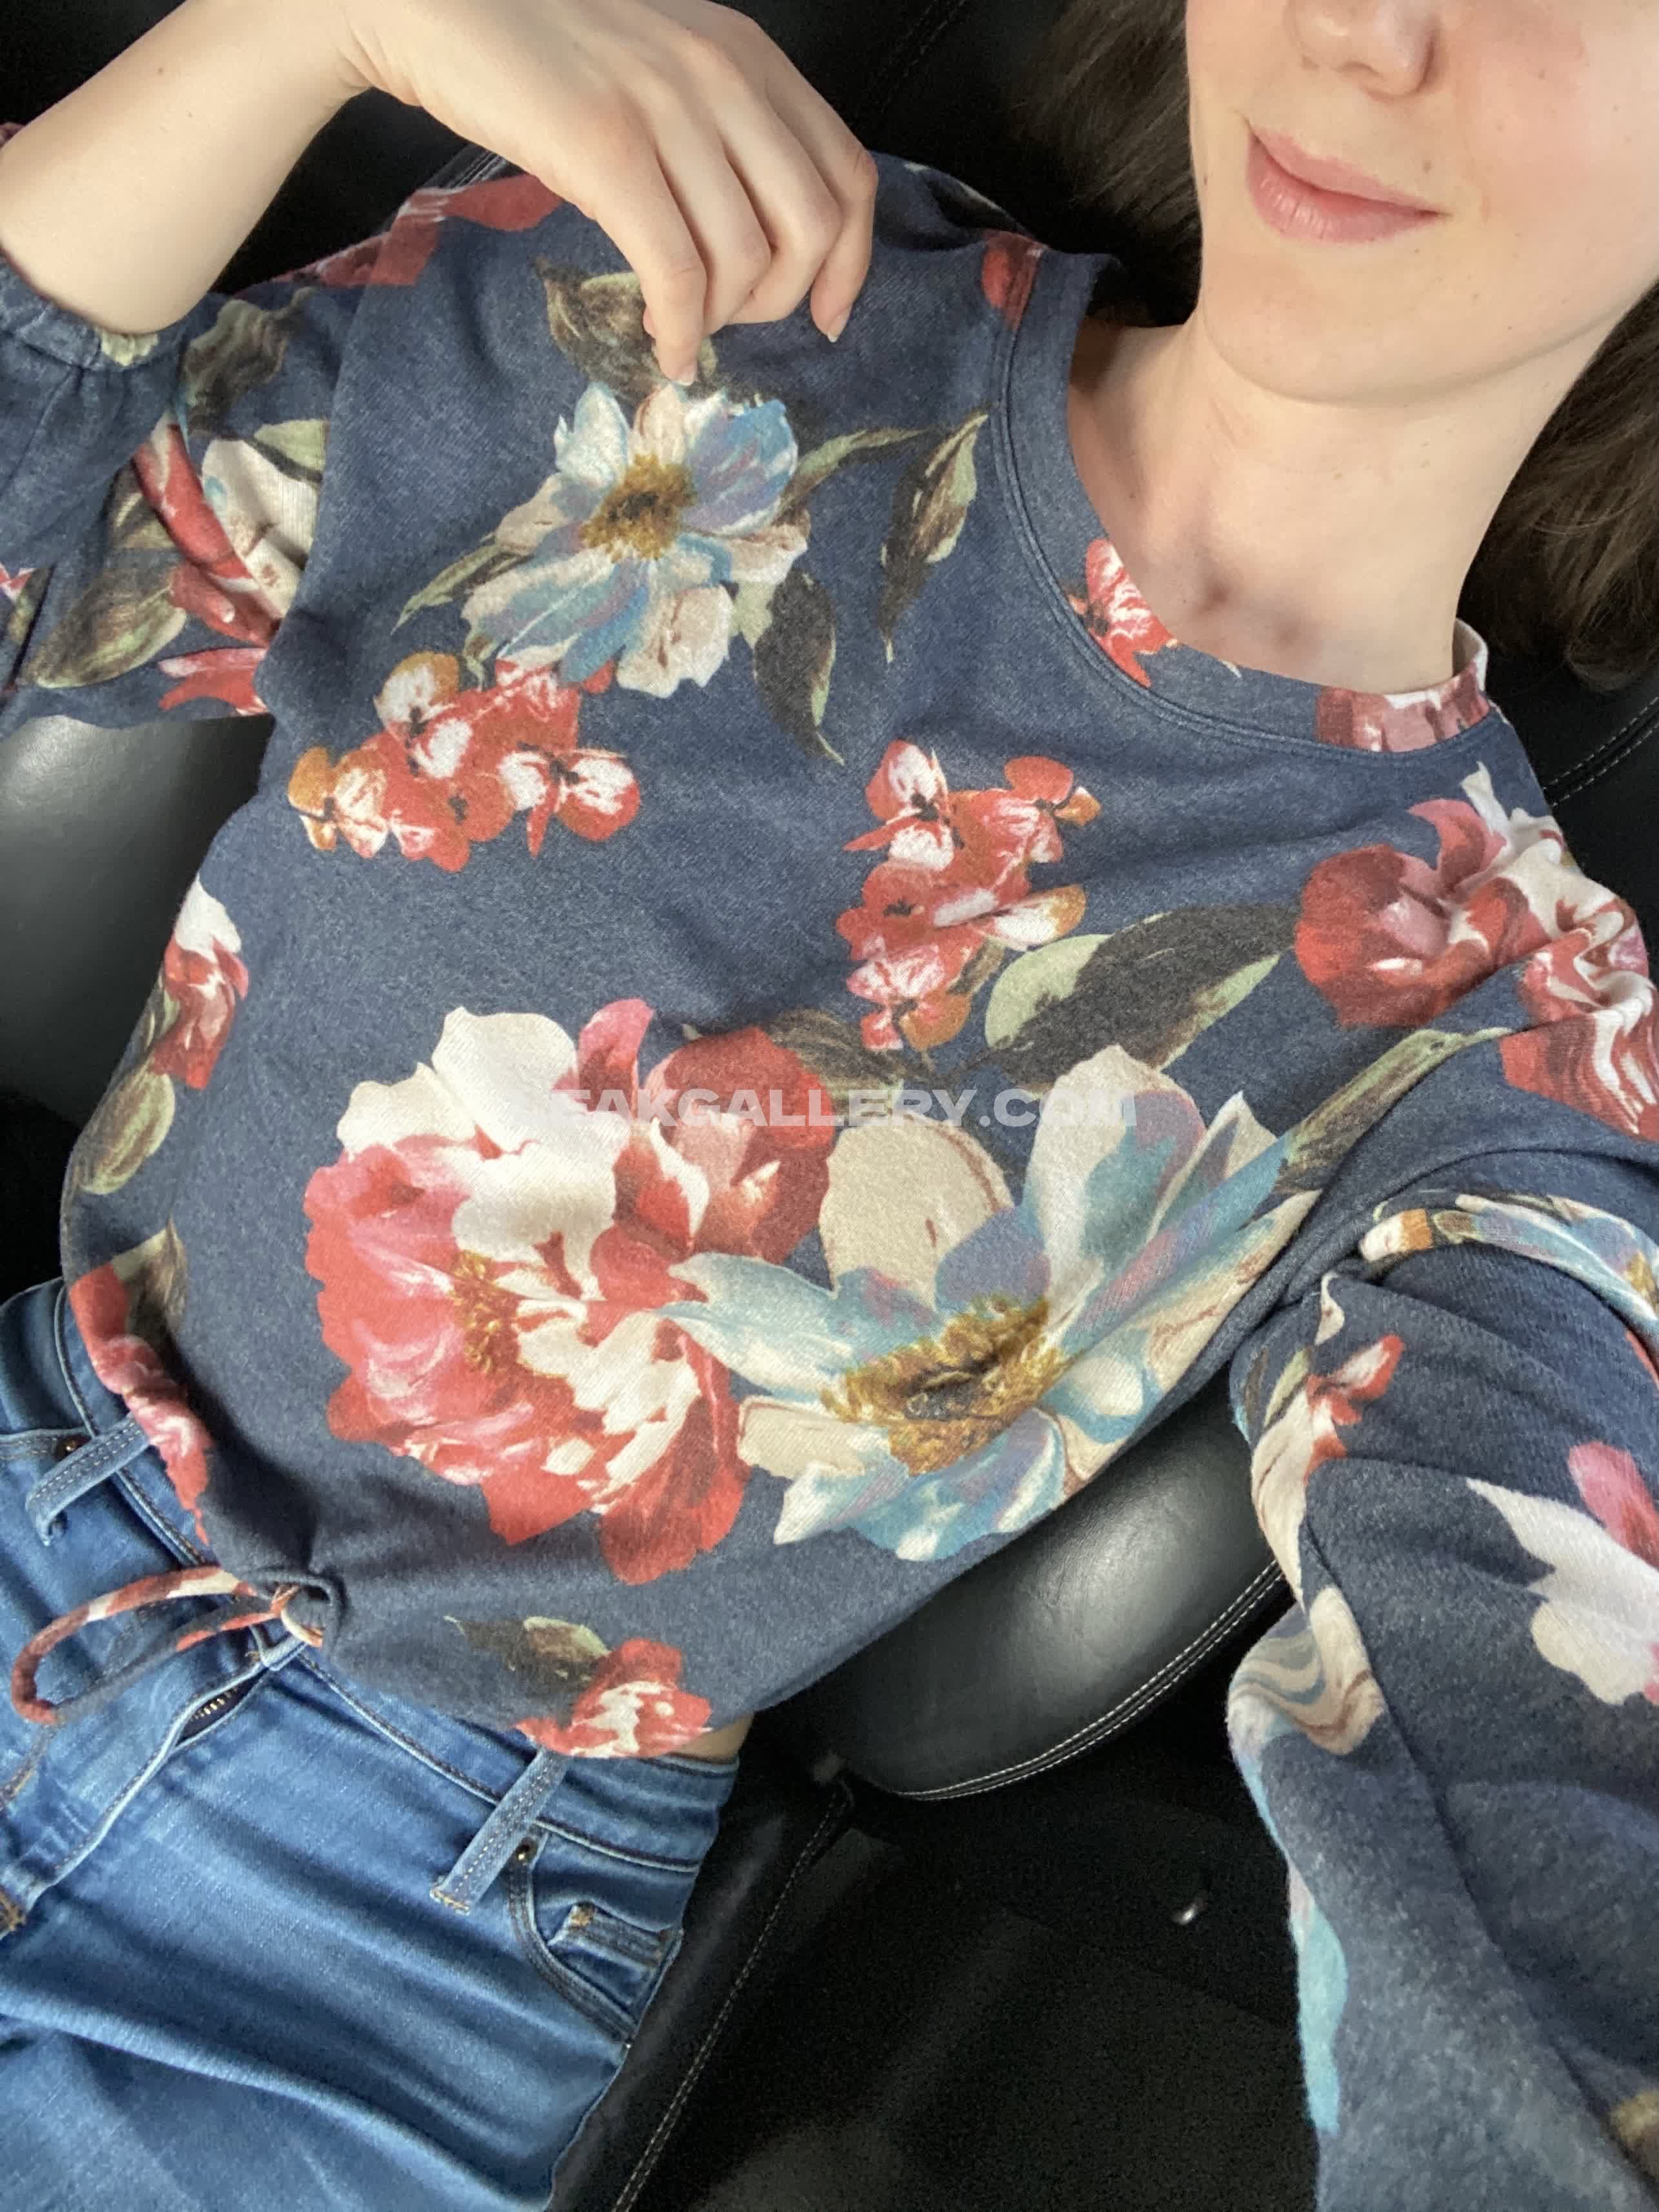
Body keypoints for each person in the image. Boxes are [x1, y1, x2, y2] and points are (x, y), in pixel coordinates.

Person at [0, 0, 1655, 2203]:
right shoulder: (681, 290)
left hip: (384, 1938)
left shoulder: (1501, 1022)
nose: (1366, 25)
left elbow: (1545, 1788)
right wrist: (289, 32)